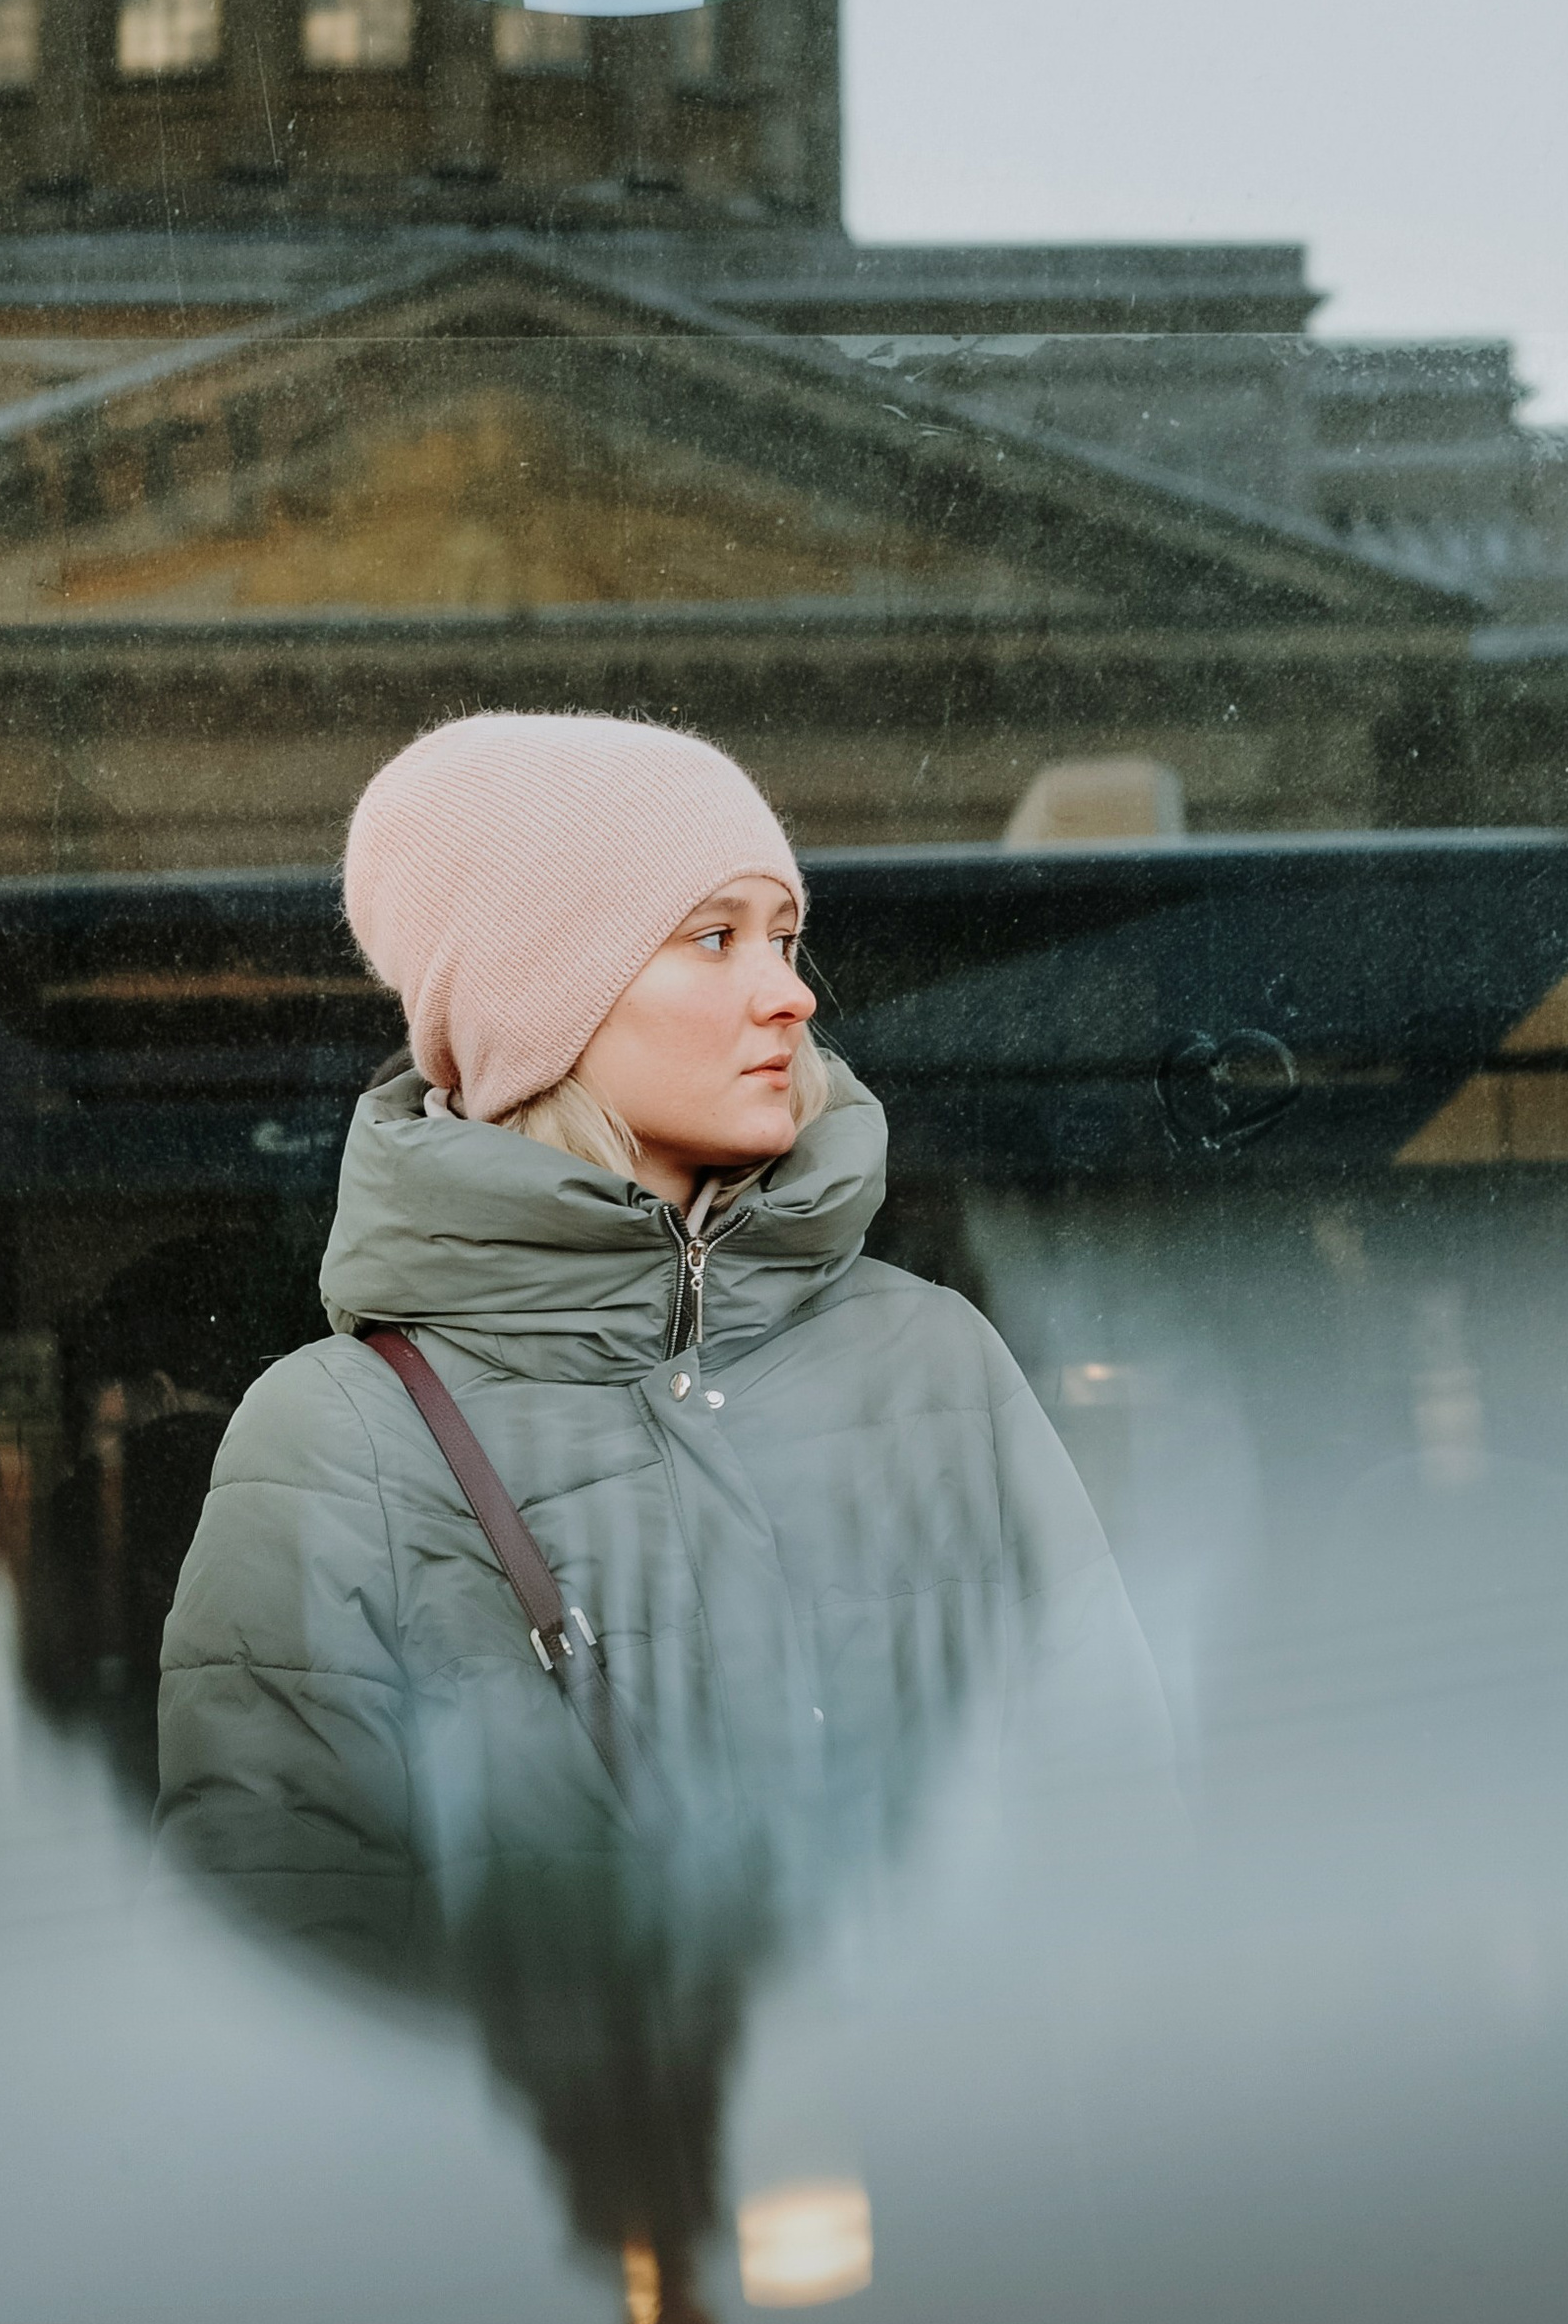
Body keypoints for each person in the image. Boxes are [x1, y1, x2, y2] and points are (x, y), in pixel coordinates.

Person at [155, 710, 1154, 2016]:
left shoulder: (935, 1362)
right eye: (712, 936)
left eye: (784, 936)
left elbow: (1123, 1817)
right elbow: (279, 1957)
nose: (791, 992)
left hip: (982, 2177)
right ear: (539, 999)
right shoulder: (341, 1442)